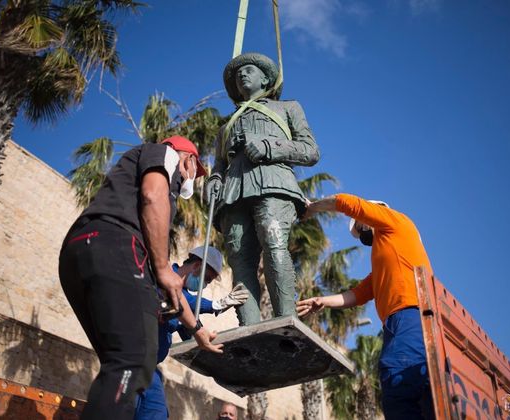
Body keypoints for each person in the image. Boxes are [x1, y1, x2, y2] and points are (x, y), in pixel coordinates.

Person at [59, 136, 223, 420]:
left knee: (122, 364)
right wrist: (160, 266)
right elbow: (152, 195)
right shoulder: (165, 154)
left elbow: (171, 291)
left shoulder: (142, 236)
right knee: (132, 360)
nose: (194, 178)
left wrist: (197, 331)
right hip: (115, 245)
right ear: (189, 159)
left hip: (78, 253)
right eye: (196, 171)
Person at [205, 52, 320, 326]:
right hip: (233, 193)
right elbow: (220, 164)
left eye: (249, 70)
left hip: (273, 183)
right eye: (237, 74)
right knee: (239, 257)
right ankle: (249, 326)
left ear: (265, 78)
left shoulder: (288, 108)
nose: (242, 75)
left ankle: (285, 319)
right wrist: (213, 181)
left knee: (274, 242)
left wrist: (268, 146)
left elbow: (311, 151)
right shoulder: (226, 127)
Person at [297, 194, 435, 420]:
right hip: (398, 321)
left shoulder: (394, 222)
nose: (361, 235)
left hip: (410, 314)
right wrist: (323, 301)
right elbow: (360, 293)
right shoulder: (387, 253)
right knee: (420, 390)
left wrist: (314, 208)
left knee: (398, 378)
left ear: (375, 212)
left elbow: (347, 203)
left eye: (361, 227)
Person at [135, 246, 248, 420]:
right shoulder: (162, 275)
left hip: (150, 368)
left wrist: (215, 344)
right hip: (132, 359)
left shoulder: (188, 309)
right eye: (207, 279)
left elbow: (192, 331)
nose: (204, 284)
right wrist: (215, 305)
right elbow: (180, 299)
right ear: (196, 266)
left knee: (156, 413)